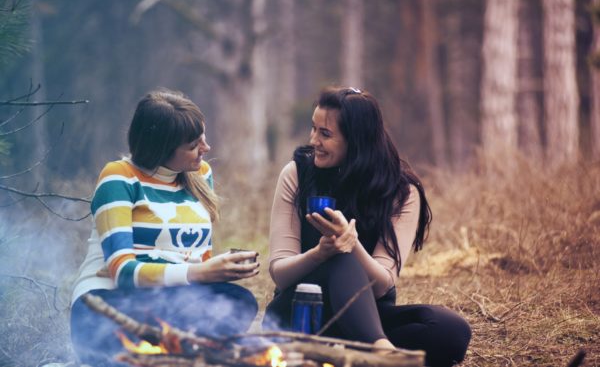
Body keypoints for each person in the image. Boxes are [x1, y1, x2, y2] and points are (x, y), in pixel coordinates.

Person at [264, 86, 471, 367]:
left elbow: (383, 284)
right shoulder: (297, 174)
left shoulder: (401, 191)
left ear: (356, 141)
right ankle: (380, 352)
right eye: (313, 129)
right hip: (298, 315)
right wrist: (320, 253)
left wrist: (353, 245)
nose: (313, 140)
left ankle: (361, 352)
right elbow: (280, 274)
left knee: (450, 330)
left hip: (364, 317)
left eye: (325, 134)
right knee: (339, 260)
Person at [70, 89, 259, 367]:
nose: (205, 149)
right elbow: (123, 273)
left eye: (203, 138)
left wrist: (217, 270)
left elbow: (197, 258)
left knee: (238, 301)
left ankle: (172, 354)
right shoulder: (119, 177)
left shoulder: (200, 174)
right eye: (194, 145)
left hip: (168, 300)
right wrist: (200, 272)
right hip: (108, 302)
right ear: (161, 148)